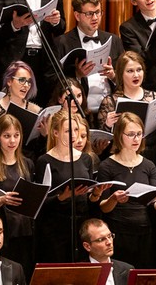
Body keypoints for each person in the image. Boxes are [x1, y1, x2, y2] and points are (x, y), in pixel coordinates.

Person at [97, 113, 156, 268]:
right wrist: (114, 199)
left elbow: (154, 204)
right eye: (130, 134)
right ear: (119, 135)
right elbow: (103, 207)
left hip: (144, 231)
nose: (136, 139)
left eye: (139, 134)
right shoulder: (107, 166)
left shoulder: (149, 165)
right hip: (118, 232)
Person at [35, 110, 105, 263]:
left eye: (75, 129)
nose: (74, 135)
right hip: (56, 228)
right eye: (68, 131)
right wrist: (62, 197)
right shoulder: (45, 161)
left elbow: (88, 197)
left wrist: (96, 194)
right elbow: (40, 203)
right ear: (55, 133)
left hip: (81, 224)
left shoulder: (85, 159)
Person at [0, 114, 36, 274]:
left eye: (16, 135)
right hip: (3, 231)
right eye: (7, 136)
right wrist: (0, 200)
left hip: (26, 231)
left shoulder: (27, 164)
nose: (12, 141)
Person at [54, 0, 124, 114]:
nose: (95, 18)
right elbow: (54, 82)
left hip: (111, 110)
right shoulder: (62, 42)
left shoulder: (114, 40)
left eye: (98, 12)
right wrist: (78, 76)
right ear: (77, 16)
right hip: (79, 112)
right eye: (89, 14)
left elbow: (125, 78)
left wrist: (113, 76)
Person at [80, 218, 133, 285]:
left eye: (110, 236)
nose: (109, 242)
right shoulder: (78, 273)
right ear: (87, 246)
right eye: (101, 239)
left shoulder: (127, 270)